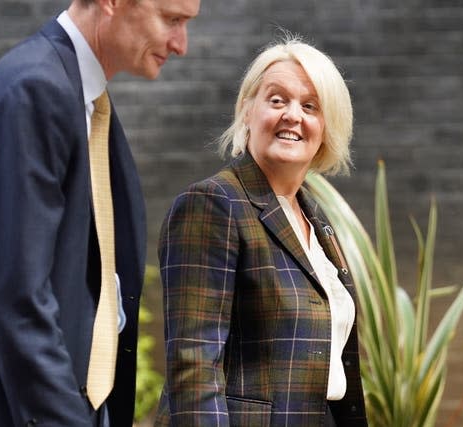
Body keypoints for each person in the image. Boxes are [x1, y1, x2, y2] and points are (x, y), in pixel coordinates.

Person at [0, 0, 200, 426]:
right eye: (172, 19)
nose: (181, 45)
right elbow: (18, 298)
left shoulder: (74, 92)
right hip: (7, 408)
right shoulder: (34, 90)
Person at [155, 37, 368, 426]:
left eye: (310, 106)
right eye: (277, 100)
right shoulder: (214, 203)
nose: (293, 116)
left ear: (326, 126)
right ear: (247, 110)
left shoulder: (315, 219)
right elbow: (194, 366)